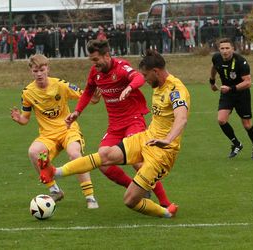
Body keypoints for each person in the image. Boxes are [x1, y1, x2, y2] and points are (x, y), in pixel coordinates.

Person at [40, 50, 190, 218]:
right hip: (146, 139)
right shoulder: (158, 85)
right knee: (105, 155)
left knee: (130, 201)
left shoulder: (176, 89)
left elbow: (181, 118)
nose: (145, 79)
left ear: (156, 71)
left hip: (162, 152)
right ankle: (55, 172)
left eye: (146, 75)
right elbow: (90, 91)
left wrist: (168, 140)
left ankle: (166, 211)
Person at [64, 39, 174, 208]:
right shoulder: (95, 73)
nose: (94, 64)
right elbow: (88, 92)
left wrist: (129, 88)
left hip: (133, 120)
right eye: (91, 61)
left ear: (107, 56)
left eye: (96, 60)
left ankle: (165, 202)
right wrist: (77, 112)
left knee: (138, 161)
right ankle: (135, 187)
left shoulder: (121, 68)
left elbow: (138, 77)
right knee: (102, 161)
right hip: (114, 125)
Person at [10, 54, 99, 208]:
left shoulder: (60, 85)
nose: (38, 74)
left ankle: (90, 197)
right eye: (35, 71)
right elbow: (25, 119)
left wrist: (95, 98)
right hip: (48, 136)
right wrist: (19, 119)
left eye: (41, 70)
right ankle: (55, 190)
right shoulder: (27, 93)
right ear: (31, 71)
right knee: (34, 152)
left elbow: (86, 96)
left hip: (68, 130)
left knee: (74, 154)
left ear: (47, 69)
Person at [209, 38, 253, 159]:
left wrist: (231, 88)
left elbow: (248, 82)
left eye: (227, 48)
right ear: (219, 49)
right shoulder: (216, 58)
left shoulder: (241, 61)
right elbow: (214, 67)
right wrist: (212, 81)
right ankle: (237, 144)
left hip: (241, 94)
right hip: (227, 93)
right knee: (221, 120)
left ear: (232, 48)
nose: (225, 51)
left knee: (247, 125)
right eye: (222, 48)